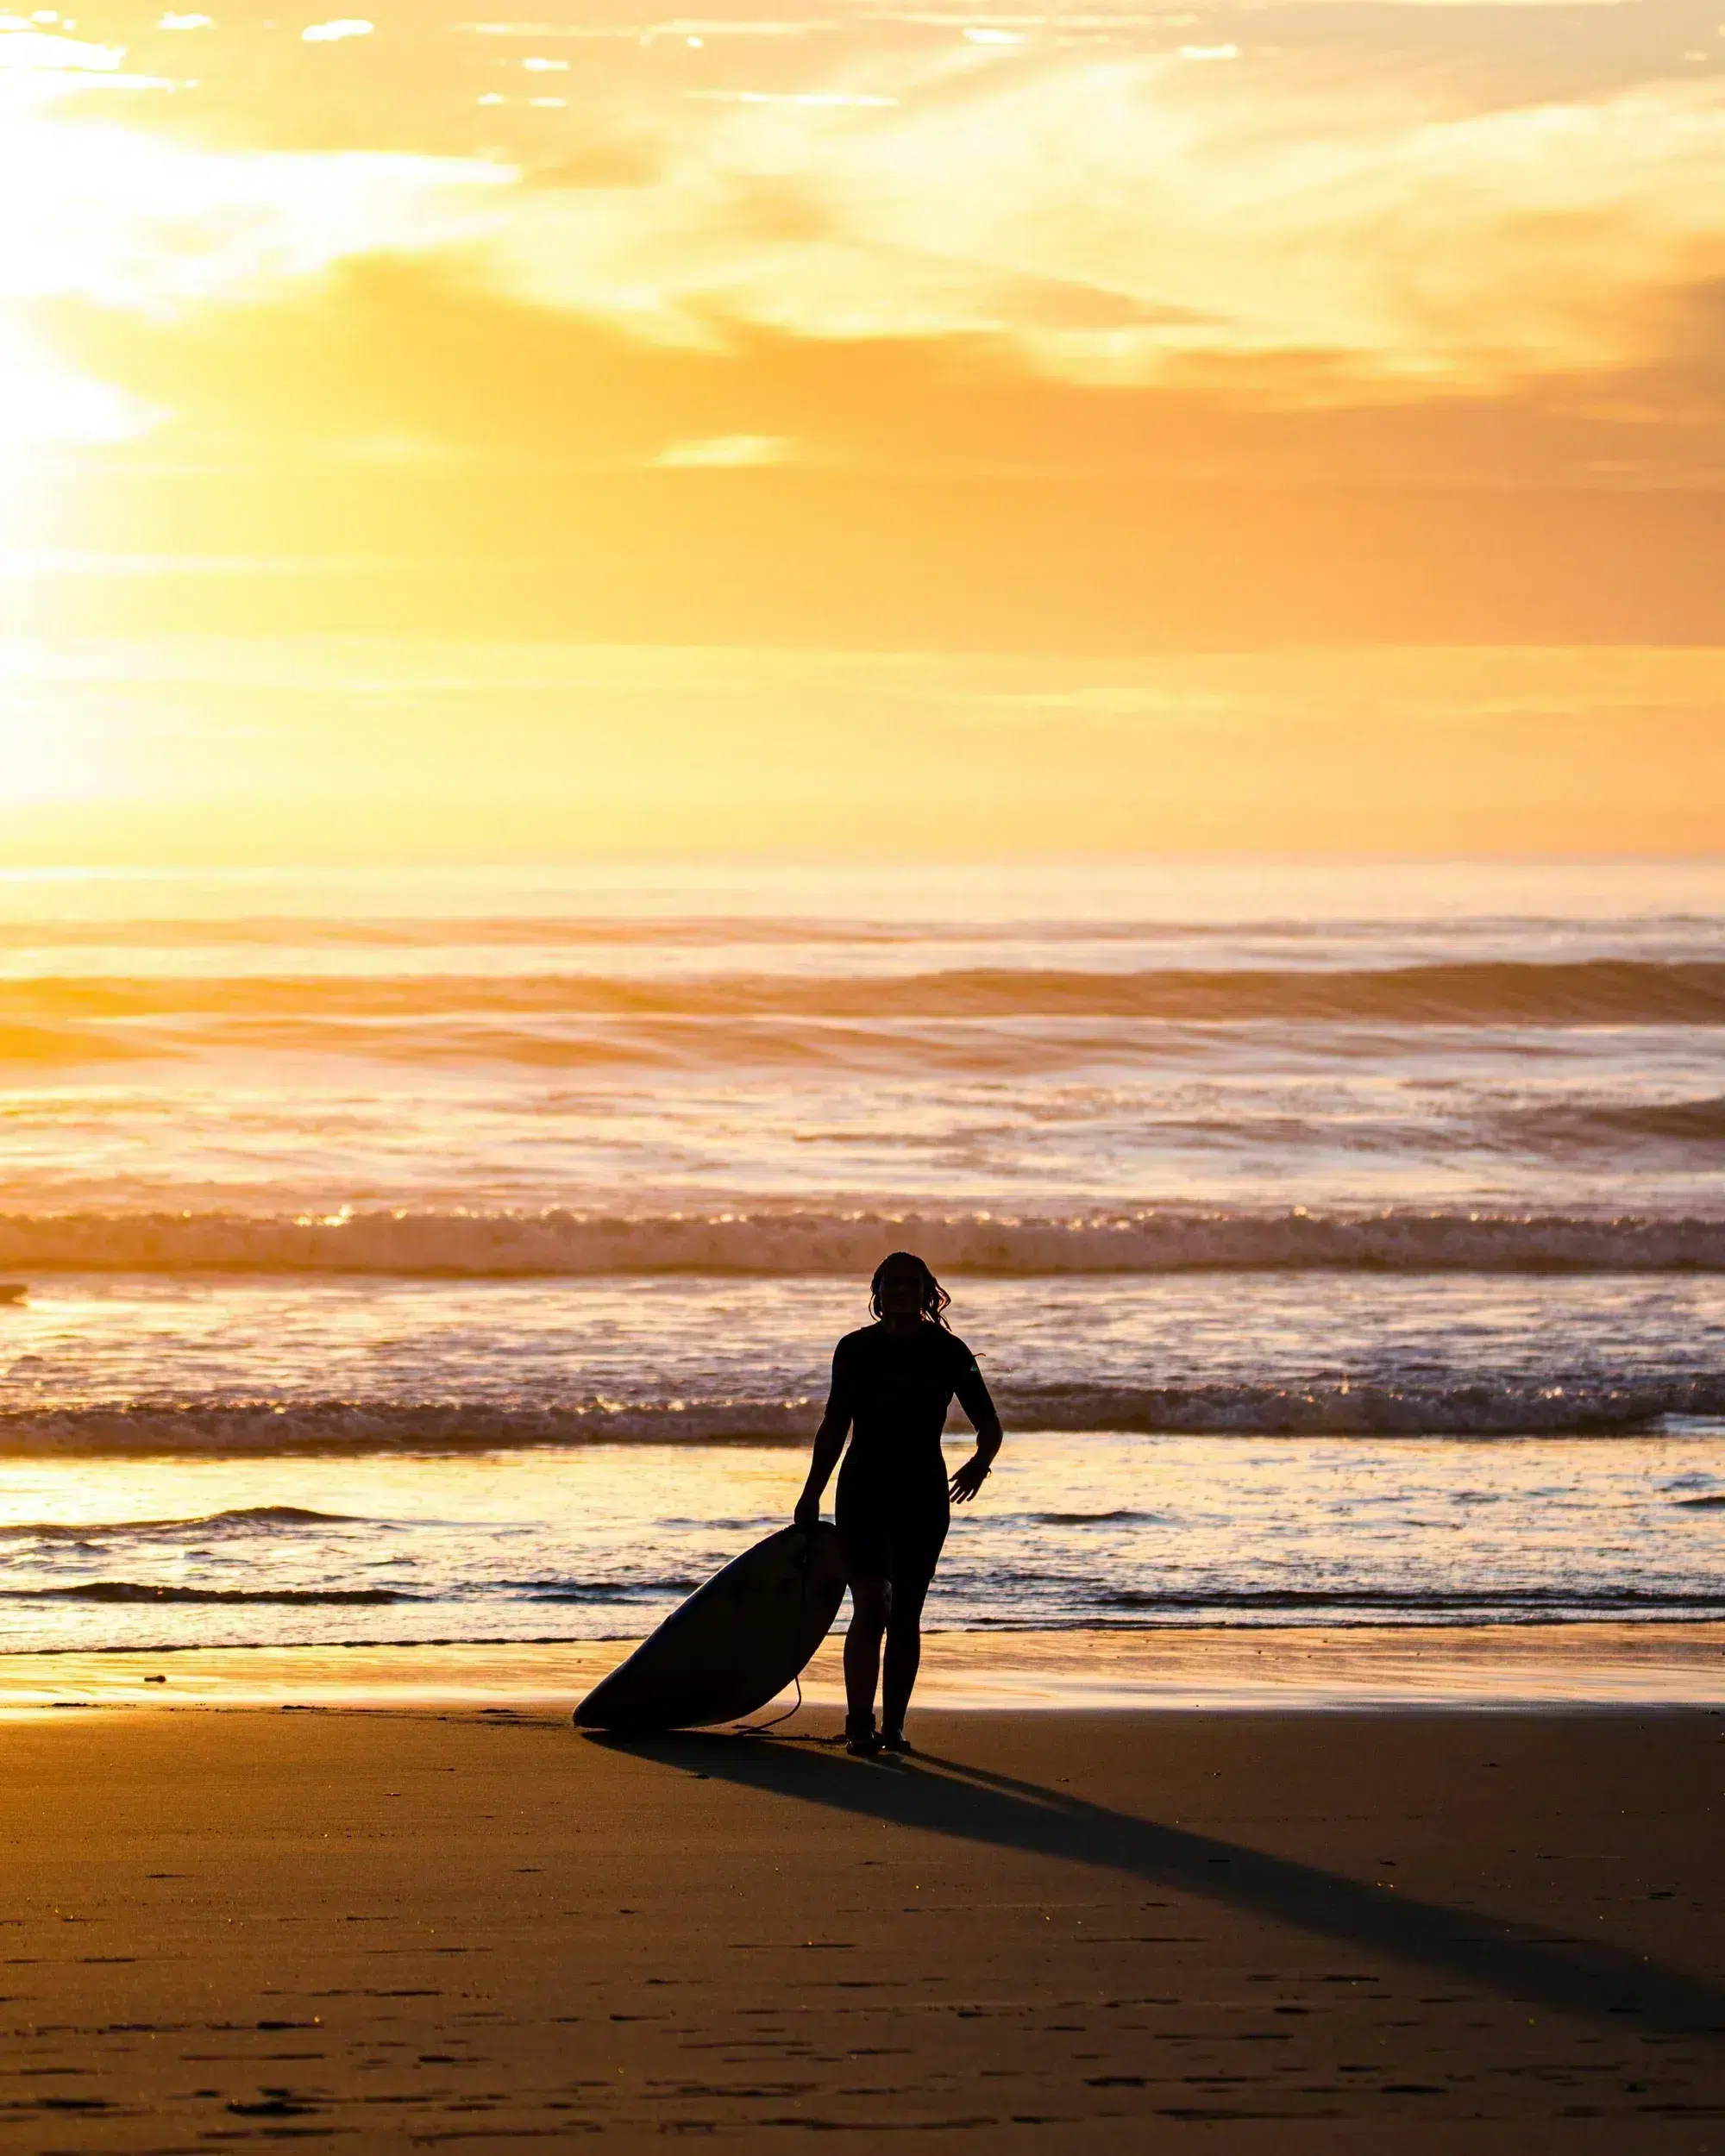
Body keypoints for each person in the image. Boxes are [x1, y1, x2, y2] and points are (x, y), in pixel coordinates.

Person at [794, 1251, 1003, 1756]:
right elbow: (834, 1426)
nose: (903, 1290)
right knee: (870, 1604)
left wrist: (980, 1463)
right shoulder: (854, 1349)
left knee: (906, 1613)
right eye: (893, 1282)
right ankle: (859, 1725)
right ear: (878, 1291)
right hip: (862, 1490)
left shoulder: (949, 1351)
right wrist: (811, 1492)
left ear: (928, 1291)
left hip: (922, 1494)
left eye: (913, 1282)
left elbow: (990, 1426)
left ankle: (895, 1728)